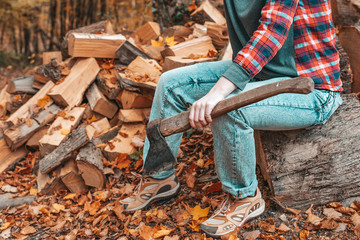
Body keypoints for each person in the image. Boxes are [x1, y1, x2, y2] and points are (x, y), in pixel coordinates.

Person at [120, 0, 343, 237]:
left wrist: (217, 93)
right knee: (170, 84)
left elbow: (272, 32)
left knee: (227, 107)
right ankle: (159, 179)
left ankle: (244, 197)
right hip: (262, 73)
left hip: (313, 90)